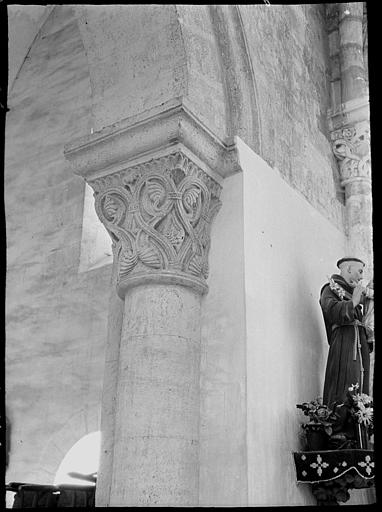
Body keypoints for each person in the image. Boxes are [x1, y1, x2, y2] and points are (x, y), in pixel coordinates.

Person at [320, 257, 373, 409]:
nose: (362, 276)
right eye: (360, 271)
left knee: (360, 382)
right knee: (344, 382)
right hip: (344, 343)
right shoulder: (330, 289)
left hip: (359, 344)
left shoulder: (354, 294)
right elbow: (331, 311)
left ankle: (359, 422)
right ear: (349, 269)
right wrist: (354, 302)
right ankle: (340, 424)